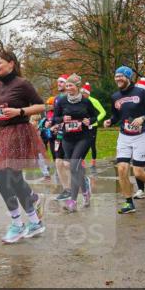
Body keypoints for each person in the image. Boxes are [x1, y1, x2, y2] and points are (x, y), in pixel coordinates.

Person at [0, 44, 47, 243]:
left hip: (19, 133)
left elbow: (41, 105)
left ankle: (17, 224)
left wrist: (20, 112)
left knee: (2, 177)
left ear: (11, 64)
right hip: (0, 133)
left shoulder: (22, 83)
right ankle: (34, 221)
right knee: (14, 180)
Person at [103, 66, 145, 214]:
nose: (118, 79)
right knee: (122, 169)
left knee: (138, 172)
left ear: (128, 77)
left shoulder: (141, 92)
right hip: (124, 136)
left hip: (142, 135)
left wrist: (142, 118)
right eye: (116, 76)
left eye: (121, 76)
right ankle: (129, 202)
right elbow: (116, 115)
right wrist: (110, 121)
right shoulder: (115, 96)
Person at [52, 75, 96, 212]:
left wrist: (89, 121)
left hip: (83, 137)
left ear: (78, 87)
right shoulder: (62, 101)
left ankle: (73, 201)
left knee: (73, 167)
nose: (68, 88)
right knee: (76, 168)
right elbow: (55, 118)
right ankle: (86, 192)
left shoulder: (85, 101)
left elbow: (94, 116)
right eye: (67, 85)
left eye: (71, 85)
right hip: (67, 138)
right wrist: (62, 118)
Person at [80, 83, 106, 171]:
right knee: (82, 144)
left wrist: (95, 120)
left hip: (92, 126)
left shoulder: (94, 101)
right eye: (81, 92)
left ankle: (93, 162)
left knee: (92, 144)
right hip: (82, 126)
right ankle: (82, 162)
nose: (82, 94)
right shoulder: (80, 100)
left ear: (88, 93)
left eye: (83, 93)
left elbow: (103, 112)